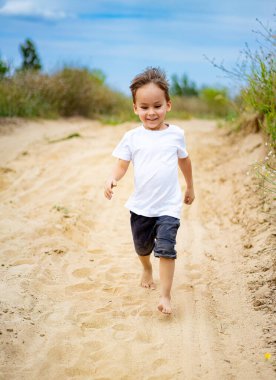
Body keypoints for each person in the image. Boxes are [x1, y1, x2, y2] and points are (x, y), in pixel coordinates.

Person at [104, 67, 195, 314]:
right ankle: (146, 267)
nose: (151, 112)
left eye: (157, 106)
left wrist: (190, 186)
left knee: (166, 248)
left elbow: (184, 161)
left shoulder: (176, 134)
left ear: (168, 105)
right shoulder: (132, 137)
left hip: (169, 206)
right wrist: (113, 178)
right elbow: (122, 164)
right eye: (144, 107)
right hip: (142, 206)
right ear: (135, 108)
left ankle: (165, 296)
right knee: (142, 247)